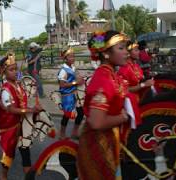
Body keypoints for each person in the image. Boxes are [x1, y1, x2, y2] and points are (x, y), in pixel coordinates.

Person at [77, 31, 131, 180]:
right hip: (98, 146)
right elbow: (97, 122)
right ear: (106, 53)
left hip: (110, 140)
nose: (127, 52)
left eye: (126, 48)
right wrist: (123, 117)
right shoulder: (103, 78)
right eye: (121, 48)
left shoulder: (112, 74)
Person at [0, 53, 42, 180]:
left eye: (16, 68)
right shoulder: (5, 90)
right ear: (4, 72)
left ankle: (28, 176)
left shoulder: (18, 85)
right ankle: (3, 175)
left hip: (22, 124)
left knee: (25, 150)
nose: (15, 72)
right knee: (9, 153)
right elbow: (11, 109)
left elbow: (23, 100)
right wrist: (31, 110)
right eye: (11, 70)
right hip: (10, 126)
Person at [118, 41, 154, 126]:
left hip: (140, 99)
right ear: (129, 53)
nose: (139, 52)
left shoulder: (136, 66)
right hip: (131, 104)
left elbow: (140, 80)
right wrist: (143, 85)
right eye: (136, 50)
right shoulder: (124, 69)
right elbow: (125, 89)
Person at [57, 48, 84, 140]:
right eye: (70, 56)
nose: (73, 58)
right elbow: (62, 85)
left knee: (81, 113)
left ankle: (74, 132)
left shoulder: (73, 67)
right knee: (67, 115)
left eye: (73, 56)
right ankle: (62, 134)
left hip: (75, 94)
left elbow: (77, 76)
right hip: (67, 96)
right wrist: (75, 83)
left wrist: (81, 79)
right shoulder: (63, 70)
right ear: (65, 58)